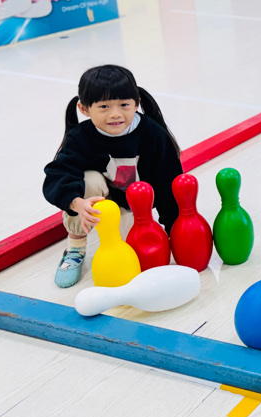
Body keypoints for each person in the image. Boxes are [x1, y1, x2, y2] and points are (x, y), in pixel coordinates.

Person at [43, 65, 183, 288]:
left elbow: (168, 184)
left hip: (135, 207)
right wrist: (77, 203)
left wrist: (175, 232)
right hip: (98, 202)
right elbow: (57, 175)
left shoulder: (152, 134)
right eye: (104, 106)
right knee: (87, 181)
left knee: (134, 256)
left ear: (136, 103)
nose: (115, 114)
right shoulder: (80, 138)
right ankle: (75, 248)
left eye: (124, 105)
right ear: (84, 109)